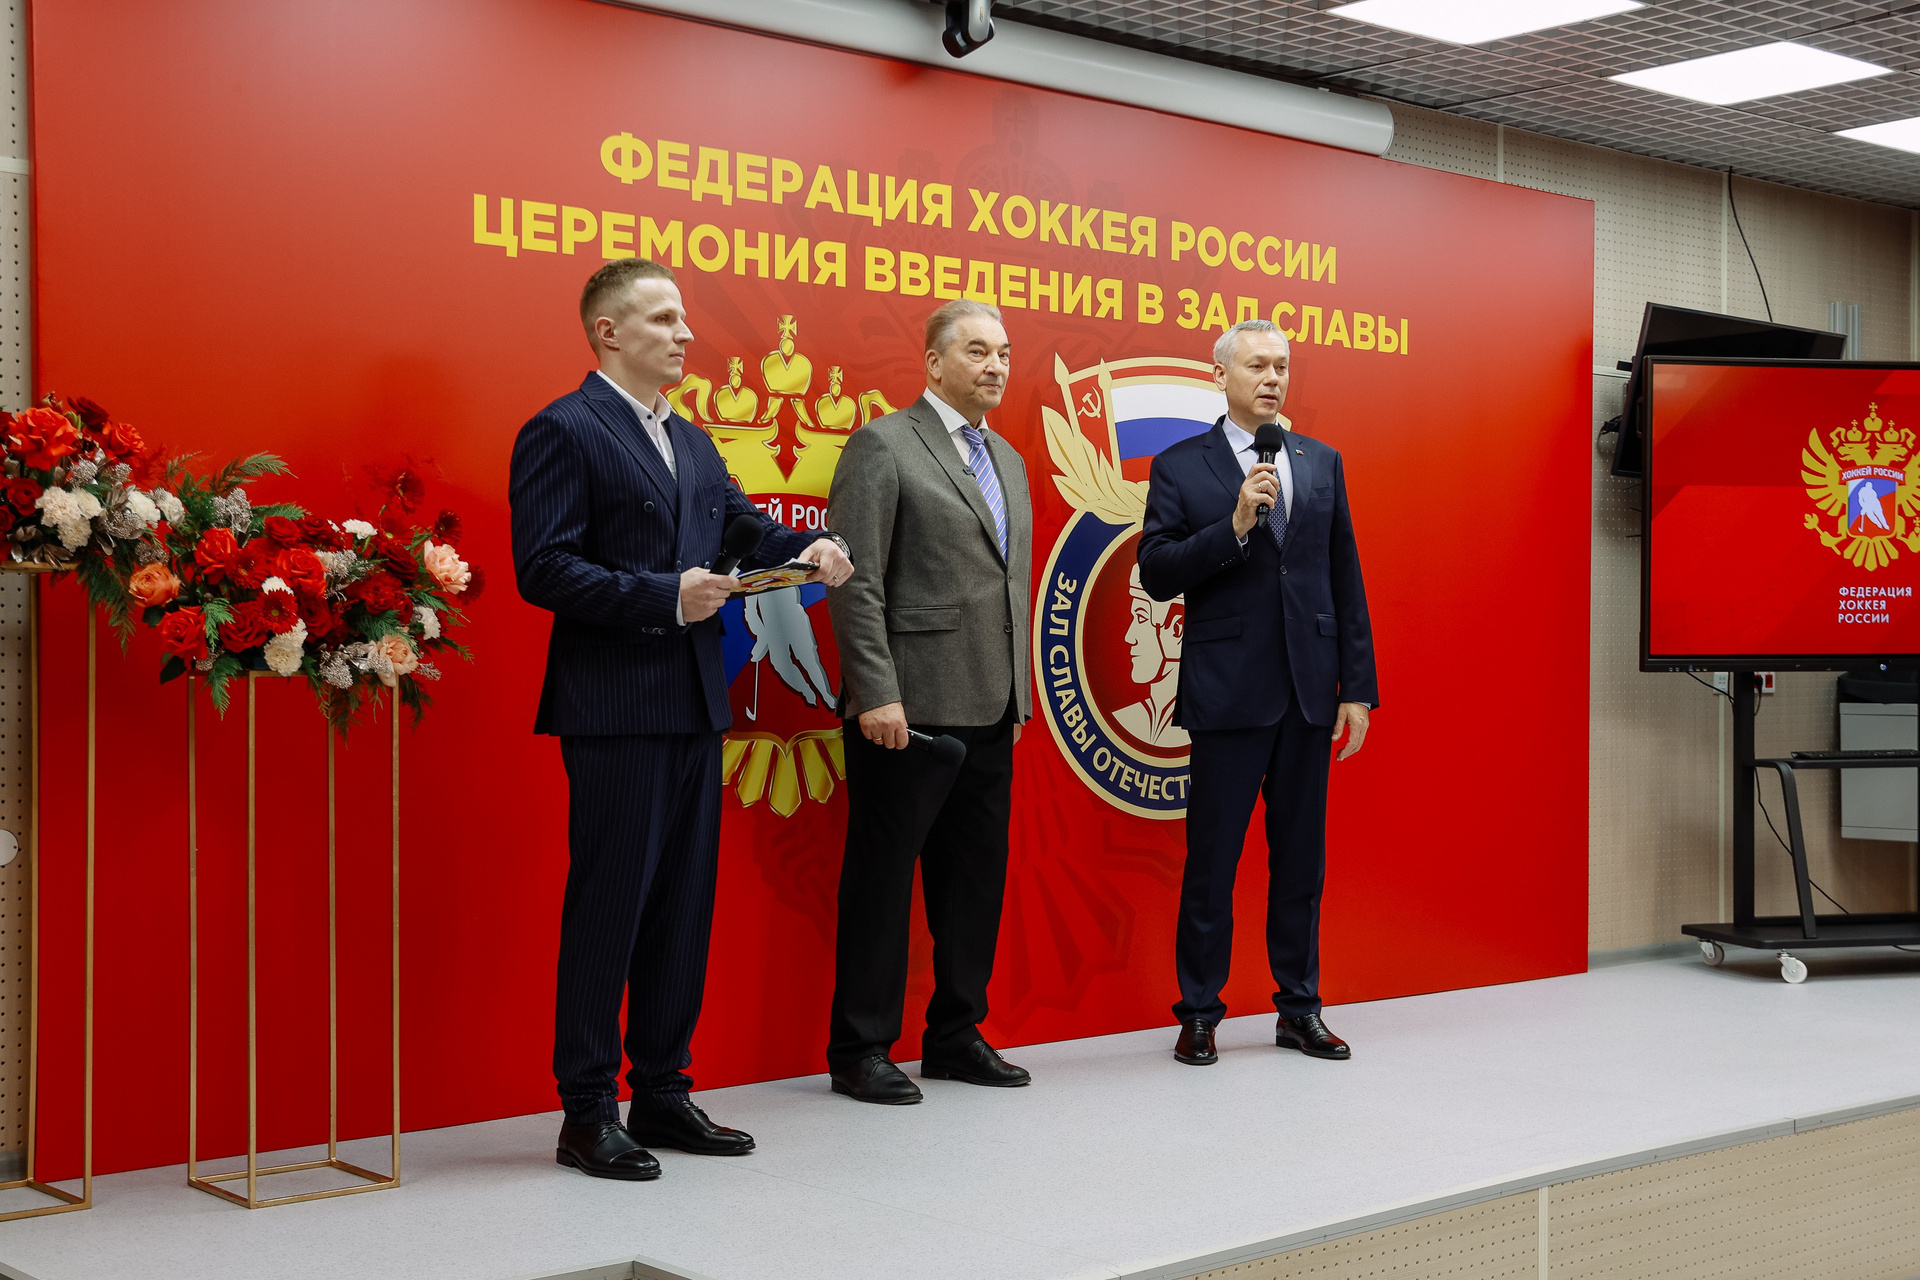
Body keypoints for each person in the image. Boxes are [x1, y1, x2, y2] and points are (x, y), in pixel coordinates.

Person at [510, 258, 854, 1180]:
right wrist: (664, 595)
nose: (686, 333)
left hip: (697, 704)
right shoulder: (562, 428)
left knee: (680, 907)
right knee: (610, 906)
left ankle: (662, 1092)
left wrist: (811, 544)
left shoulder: (693, 441)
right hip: (616, 709)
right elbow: (543, 568)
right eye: (663, 318)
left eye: (684, 318)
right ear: (608, 332)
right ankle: (588, 1111)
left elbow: (744, 530)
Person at [1136, 318, 1378, 1068]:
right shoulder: (1181, 465)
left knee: (1301, 864)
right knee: (1213, 864)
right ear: (1222, 376)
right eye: (1257, 366)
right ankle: (1199, 1014)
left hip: (1308, 693)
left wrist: (1356, 688)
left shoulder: (1320, 460)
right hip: (1228, 691)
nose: (1273, 378)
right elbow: (1157, 571)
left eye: (1282, 366)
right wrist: (1235, 524)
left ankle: (1299, 1009)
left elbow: (1344, 575)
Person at [823, 299, 1033, 1104]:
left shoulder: (1007, 458)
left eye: (1003, 352)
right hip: (905, 712)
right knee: (882, 884)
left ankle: (954, 1036)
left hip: (992, 703)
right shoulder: (883, 443)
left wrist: (1017, 694)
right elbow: (856, 580)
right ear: (934, 363)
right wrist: (876, 692)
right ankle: (861, 1049)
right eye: (977, 350)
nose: (995, 365)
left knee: (973, 883)